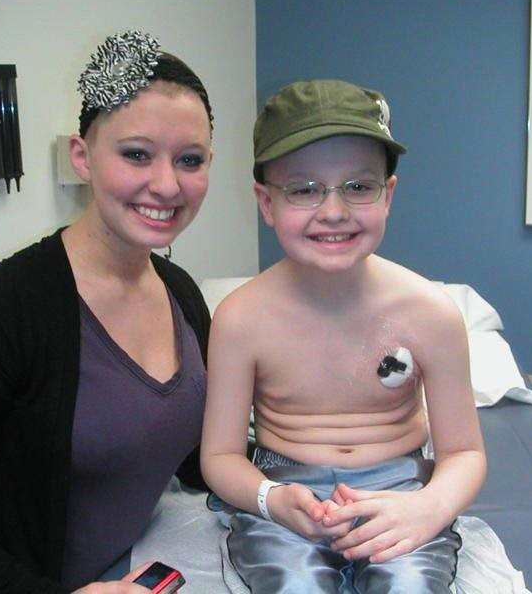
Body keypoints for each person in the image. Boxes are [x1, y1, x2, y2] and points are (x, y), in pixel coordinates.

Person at [0, 31, 214, 593]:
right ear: (81, 157)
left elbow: (197, 460)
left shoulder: (181, 292)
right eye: (136, 153)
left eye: (190, 159)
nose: (166, 184)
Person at [201, 79, 486, 593]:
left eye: (358, 186)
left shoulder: (430, 314)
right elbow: (219, 458)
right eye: (303, 189)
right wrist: (270, 499)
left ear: (388, 194)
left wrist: (428, 508)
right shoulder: (240, 319)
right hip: (286, 492)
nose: (333, 211)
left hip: (398, 490)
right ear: (266, 203)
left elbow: (465, 452)